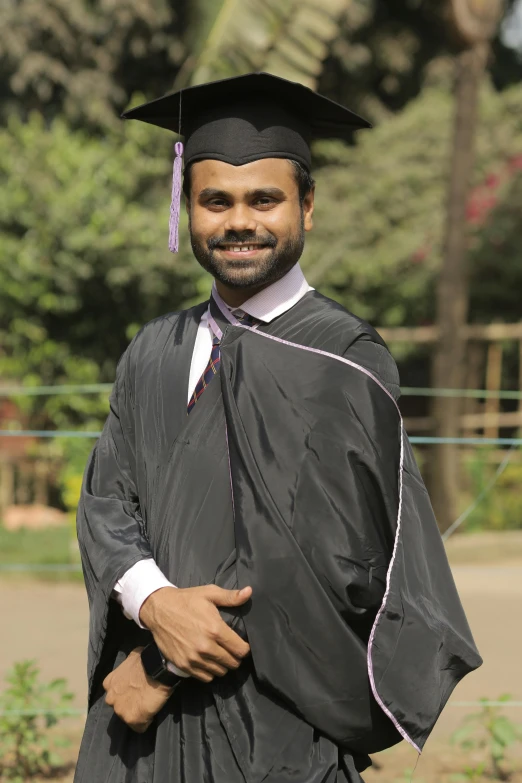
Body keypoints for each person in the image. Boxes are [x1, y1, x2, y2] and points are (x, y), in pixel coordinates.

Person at [74, 72, 482, 783]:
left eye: (264, 199)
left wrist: (162, 662)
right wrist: (153, 600)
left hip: (272, 733)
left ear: (307, 206)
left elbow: (314, 570)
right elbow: (108, 502)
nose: (239, 222)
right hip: (141, 737)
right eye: (215, 201)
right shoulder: (154, 350)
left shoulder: (343, 360)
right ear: (187, 206)